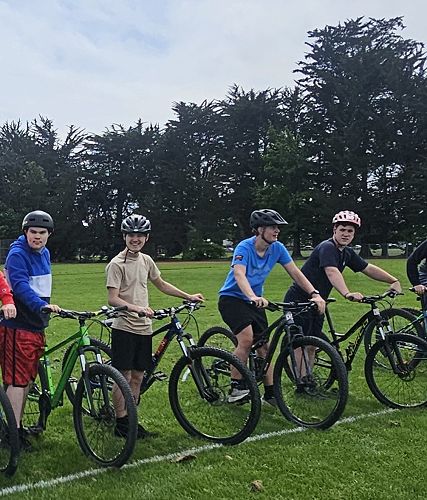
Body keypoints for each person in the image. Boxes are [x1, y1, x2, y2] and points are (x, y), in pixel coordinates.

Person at [106, 214, 204, 438]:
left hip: (144, 327)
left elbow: (160, 283)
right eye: (131, 235)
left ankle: (131, 420)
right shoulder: (116, 264)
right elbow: (113, 298)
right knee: (123, 376)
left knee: (138, 376)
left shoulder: (146, 260)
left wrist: (187, 296)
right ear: (124, 237)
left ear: (147, 238)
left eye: (140, 235)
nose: (135, 239)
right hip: (124, 326)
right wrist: (136, 308)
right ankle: (121, 423)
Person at [218, 209, 326, 405]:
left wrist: (314, 294)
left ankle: (270, 393)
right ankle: (236, 387)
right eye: (272, 227)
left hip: (256, 301)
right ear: (260, 229)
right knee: (246, 340)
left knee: (264, 347)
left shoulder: (277, 248)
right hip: (232, 299)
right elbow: (239, 274)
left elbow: (296, 273)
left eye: (278, 228)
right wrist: (251, 295)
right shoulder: (244, 247)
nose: (277, 231)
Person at [285, 210, 402, 341]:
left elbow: (367, 268)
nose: (346, 234)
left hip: (320, 301)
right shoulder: (327, 247)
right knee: (300, 343)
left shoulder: (347, 252)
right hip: (299, 300)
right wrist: (347, 293)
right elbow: (331, 271)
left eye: (350, 231)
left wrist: (393, 281)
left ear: (354, 234)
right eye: (342, 230)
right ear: (335, 230)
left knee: (312, 345)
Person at [0, 210, 61, 451]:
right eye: (33, 232)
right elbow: (20, 287)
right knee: (17, 381)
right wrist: (40, 306)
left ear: (49, 234)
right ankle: (12, 435)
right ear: (25, 232)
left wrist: (41, 311)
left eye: (42, 232)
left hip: (36, 324)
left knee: (26, 379)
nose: (37, 236)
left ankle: (17, 426)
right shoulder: (17, 254)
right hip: (19, 325)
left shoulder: (44, 253)